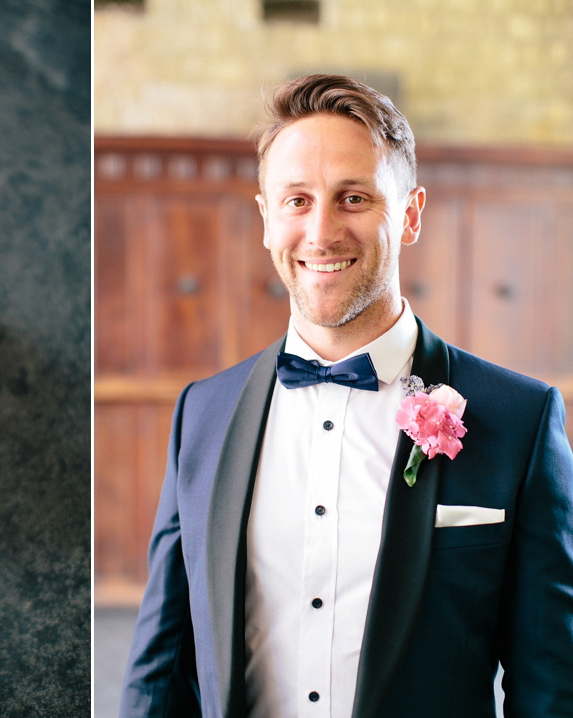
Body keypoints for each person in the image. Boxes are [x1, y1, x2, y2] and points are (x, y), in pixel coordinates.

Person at [118, 74, 573, 718]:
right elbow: (159, 671)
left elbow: (551, 686)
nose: (322, 231)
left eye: (353, 197)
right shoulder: (203, 414)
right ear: (267, 217)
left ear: (410, 214)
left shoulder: (518, 421)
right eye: (297, 200)